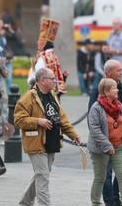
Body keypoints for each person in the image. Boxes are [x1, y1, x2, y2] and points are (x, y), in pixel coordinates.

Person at [14, 68, 80, 206]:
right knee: (43, 177)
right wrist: (38, 121)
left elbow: (62, 118)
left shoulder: (52, 95)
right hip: (35, 143)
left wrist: (73, 135)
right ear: (42, 80)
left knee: (41, 174)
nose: (55, 81)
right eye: (52, 78)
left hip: (52, 141)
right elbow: (18, 120)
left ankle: (25, 202)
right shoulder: (29, 97)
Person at [88, 59, 122, 206]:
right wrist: (105, 144)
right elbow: (93, 124)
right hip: (103, 147)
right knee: (102, 177)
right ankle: (107, 202)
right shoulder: (97, 98)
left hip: (120, 143)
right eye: (118, 70)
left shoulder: (121, 93)